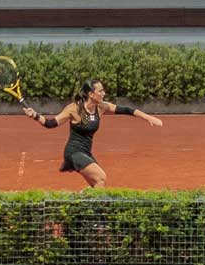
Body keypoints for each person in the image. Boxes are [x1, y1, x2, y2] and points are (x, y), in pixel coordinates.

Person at [21, 77, 163, 188]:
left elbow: (126, 110)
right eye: (100, 91)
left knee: (98, 185)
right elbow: (50, 123)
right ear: (90, 94)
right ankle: (96, 222)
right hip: (73, 152)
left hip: (86, 152)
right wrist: (34, 115)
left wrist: (148, 118)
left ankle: (82, 209)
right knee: (101, 177)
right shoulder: (74, 109)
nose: (103, 93)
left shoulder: (100, 107)